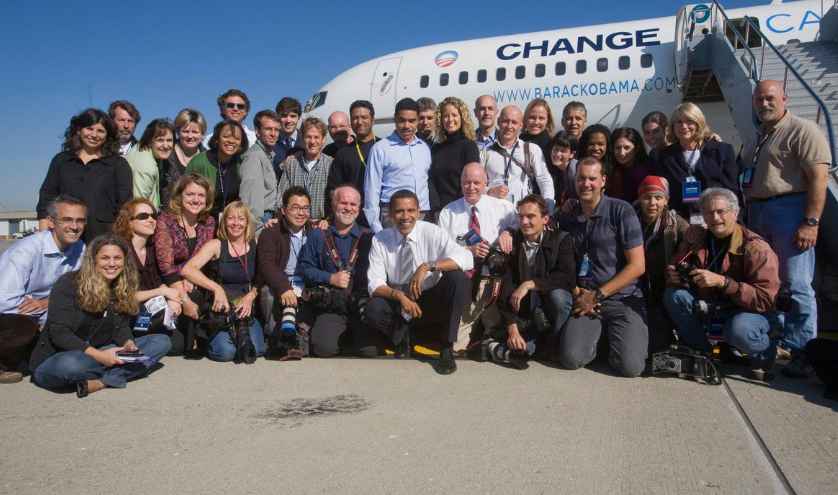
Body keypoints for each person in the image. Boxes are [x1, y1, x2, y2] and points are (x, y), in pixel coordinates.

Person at [741, 80, 832, 378]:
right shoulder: (758, 137)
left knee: (797, 283)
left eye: (770, 98)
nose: (764, 104)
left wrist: (810, 221)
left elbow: (818, 178)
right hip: (759, 211)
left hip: (791, 209)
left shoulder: (803, 130)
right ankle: (777, 342)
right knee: (769, 280)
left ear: (784, 98)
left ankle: (802, 350)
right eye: (759, 100)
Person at [29, 234, 171, 397]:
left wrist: (128, 343)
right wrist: (101, 357)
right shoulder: (69, 283)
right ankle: (121, 372)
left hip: (102, 351)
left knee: (161, 342)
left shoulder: (120, 286)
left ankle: (102, 381)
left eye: (117, 258)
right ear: (93, 260)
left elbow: (121, 326)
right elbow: (60, 334)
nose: (112, 264)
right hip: (62, 357)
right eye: (105, 258)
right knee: (71, 365)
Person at [663, 188, 780, 379]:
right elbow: (677, 265)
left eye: (721, 211)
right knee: (674, 296)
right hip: (713, 307)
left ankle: (765, 350)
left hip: (748, 312)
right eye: (709, 212)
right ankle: (705, 352)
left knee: (739, 329)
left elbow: (766, 300)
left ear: (735, 213)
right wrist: (673, 274)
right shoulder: (698, 238)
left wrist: (724, 283)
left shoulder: (756, 248)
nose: (715, 218)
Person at [555, 157, 648, 377]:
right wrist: (579, 293)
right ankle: (599, 336)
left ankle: (617, 338)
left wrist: (597, 295)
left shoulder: (621, 211)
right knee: (571, 359)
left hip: (621, 298)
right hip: (584, 298)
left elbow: (637, 266)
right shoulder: (568, 216)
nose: (586, 184)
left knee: (630, 367)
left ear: (603, 180)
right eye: (581, 179)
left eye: (592, 179)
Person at [364, 190, 473, 374]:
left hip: (428, 298)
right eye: (399, 211)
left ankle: (446, 347)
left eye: (410, 210)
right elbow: (374, 283)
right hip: (399, 301)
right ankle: (402, 338)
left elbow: (466, 257)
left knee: (458, 278)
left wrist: (429, 266)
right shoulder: (380, 239)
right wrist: (399, 296)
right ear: (390, 214)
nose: (405, 216)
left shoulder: (432, 232)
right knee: (374, 308)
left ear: (419, 212)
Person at [477, 194, 574, 368]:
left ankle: (554, 343)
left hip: (550, 308)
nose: (524, 222)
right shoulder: (513, 243)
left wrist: (530, 284)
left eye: (531, 216)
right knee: (521, 352)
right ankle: (495, 345)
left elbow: (567, 277)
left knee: (558, 297)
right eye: (521, 216)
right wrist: (512, 328)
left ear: (545, 219)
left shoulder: (562, 239)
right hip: (526, 314)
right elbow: (505, 287)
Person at [0, 196, 86, 383]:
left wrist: (47, 304)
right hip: (15, 315)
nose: (75, 226)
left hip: (46, 312)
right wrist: (42, 318)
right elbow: (4, 301)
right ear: (51, 222)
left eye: (80, 220)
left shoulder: (80, 248)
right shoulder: (25, 251)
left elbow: (79, 292)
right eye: (67, 220)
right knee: (22, 327)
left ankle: (28, 356)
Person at [437, 163, 516, 351]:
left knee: (497, 329)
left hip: (495, 281)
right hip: (466, 280)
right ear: (460, 183)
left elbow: (525, 225)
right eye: (466, 182)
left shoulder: (503, 208)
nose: (471, 187)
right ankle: (476, 336)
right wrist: (468, 251)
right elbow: (441, 251)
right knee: (457, 347)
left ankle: (490, 334)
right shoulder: (448, 212)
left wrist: (509, 232)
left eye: (476, 183)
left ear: (485, 183)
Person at [181, 201, 265, 362]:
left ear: (247, 222)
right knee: (226, 353)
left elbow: (261, 278)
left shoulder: (256, 243)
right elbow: (188, 269)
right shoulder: (216, 245)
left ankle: (238, 334)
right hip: (221, 309)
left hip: (245, 308)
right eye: (231, 218)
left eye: (241, 219)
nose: (236, 223)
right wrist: (215, 289)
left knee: (257, 349)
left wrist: (251, 296)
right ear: (224, 221)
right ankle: (207, 340)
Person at [296, 186, 372, 357]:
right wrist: (330, 278)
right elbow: (304, 268)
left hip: (358, 305)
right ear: (333, 204)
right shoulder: (318, 235)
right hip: (332, 306)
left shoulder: (368, 237)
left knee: (370, 351)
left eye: (353, 204)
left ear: (359, 208)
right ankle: (335, 337)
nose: (348, 208)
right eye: (343, 202)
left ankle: (348, 338)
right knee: (324, 349)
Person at [37, 108, 133, 242]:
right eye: (89, 129)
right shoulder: (61, 160)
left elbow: (125, 204)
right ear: (79, 130)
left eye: (100, 131)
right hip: (66, 235)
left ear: (107, 135)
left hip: (103, 236)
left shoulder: (118, 164)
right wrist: (43, 222)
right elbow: (47, 194)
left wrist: (119, 237)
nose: (94, 135)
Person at [113, 199, 184, 352]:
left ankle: (148, 337)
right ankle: (134, 338)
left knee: (179, 345)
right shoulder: (120, 251)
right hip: (128, 312)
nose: (151, 220)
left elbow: (161, 280)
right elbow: (124, 296)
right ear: (129, 222)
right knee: (168, 342)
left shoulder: (152, 249)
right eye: (143, 216)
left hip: (151, 308)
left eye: (153, 215)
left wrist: (173, 299)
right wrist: (162, 292)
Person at [654, 102, 739, 222]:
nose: (683, 126)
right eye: (678, 122)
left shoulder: (721, 150)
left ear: (698, 123)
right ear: (672, 126)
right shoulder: (665, 157)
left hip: (718, 219)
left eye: (689, 121)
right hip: (683, 222)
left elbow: (732, 190)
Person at [154, 174, 217, 330]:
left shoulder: (208, 222)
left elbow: (203, 258)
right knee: (175, 346)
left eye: (201, 195)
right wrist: (185, 300)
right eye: (190, 194)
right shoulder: (166, 220)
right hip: (169, 284)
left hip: (195, 282)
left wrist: (191, 277)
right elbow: (166, 267)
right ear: (179, 195)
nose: (196, 200)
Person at [634, 176, 688, 353]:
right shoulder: (628, 218)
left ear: (666, 200)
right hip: (634, 287)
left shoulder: (676, 225)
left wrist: (678, 270)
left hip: (661, 290)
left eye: (658, 197)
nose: (652, 202)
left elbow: (693, 249)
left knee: (656, 344)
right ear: (639, 199)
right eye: (647, 197)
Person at [257, 187, 311, 359]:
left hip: (306, 285)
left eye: (305, 208)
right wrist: (284, 287)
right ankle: (275, 339)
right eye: (295, 207)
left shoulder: (316, 232)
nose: (301, 213)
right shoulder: (271, 232)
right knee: (268, 293)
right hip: (281, 283)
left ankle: (300, 334)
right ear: (283, 210)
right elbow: (267, 265)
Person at [364, 98, 432, 233]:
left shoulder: (424, 148)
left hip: (421, 215)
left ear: (418, 120)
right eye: (402, 120)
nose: (407, 125)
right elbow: (371, 190)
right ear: (395, 120)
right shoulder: (380, 148)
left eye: (412, 121)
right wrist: (376, 227)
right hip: (393, 216)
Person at [483, 105, 555, 211]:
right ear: (498, 122)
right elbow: (476, 185)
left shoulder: (531, 149)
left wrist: (548, 207)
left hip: (522, 215)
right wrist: (489, 191)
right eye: (505, 121)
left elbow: (544, 179)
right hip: (494, 212)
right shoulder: (486, 152)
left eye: (514, 122)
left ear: (521, 125)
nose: (509, 126)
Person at [327, 100, 380, 226]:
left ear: (373, 120)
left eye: (364, 117)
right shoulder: (343, 153)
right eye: (355, 118)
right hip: (353, 220)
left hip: (382, 217)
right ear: (351, 122)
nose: (359, 122)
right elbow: (333, 188)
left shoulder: (384, 147)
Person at [186, 119, 249, 218]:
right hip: (202, 221)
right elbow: (184, 195)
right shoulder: (199, 162)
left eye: (237, 138)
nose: (231, 141)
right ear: (217, 139)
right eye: (226, 137)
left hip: (230, 222)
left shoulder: (241, 163)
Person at [277, 117, 333, 224]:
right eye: (308, 137)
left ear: (323, 139)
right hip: (293, 225)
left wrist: (329, 220)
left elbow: (335, 198)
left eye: (316, 137)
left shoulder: (331, 165)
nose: (312, 141)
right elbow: (281, 197)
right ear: (302, 138)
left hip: (321, 226)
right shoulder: (291, 163)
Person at [429, 97, 480, 213]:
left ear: (462, 118)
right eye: (446, 116)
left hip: (461, 210)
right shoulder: (436, 149)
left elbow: (471, 180)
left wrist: (456, 207)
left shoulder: (469, 146)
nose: (450, 119)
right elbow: (432, 181)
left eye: (454, 115)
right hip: (440, 211)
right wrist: (437, 208)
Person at [239, 110, 281, 230]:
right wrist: (257, 229)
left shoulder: (267, 155)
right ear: (257, 132)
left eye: (276, 130)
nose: (273, 134)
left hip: (268, 218)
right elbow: (249, 200)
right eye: (268, 129)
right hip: (261, 220)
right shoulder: (254, 157)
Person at [160, 108, 207, 207]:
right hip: (168, 215)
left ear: (202, 134)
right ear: (177, 132)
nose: (190, 136)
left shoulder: (208, 158)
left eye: (195, 132)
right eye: (185, 131)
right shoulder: (165, 155)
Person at [126, 119, 175, 208]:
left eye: (169, 140)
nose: (165, 145)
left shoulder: (140, 148)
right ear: (150, 141)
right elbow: (138, 205)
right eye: (160, 140)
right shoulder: (146, 167)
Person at [608, 127, 654, 204]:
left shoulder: (646, 171)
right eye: (618, 148)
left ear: (636, 149)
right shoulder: (611, 170)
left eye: (627, 148)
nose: (622, 153)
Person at [548, 131, 578, 207]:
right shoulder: (557, 170)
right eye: (556, 149)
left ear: (572, 154)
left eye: (563, 151)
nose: (558, 154)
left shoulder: (575, 171)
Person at [274, 97, 303, 166]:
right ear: (278, 117)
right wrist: (281, 166)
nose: (288, 120)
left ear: (299, 118)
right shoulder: (270, 142)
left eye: (293, 116)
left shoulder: (307, 141)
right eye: (284, 116)